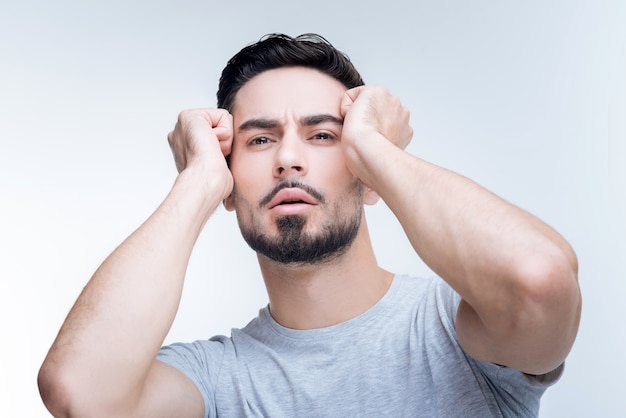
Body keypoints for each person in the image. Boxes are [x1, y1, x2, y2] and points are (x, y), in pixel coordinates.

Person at [38, 33, 582, 417]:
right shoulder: (219, 380)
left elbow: (540, 280)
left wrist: (373, 147)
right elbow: (79, 393)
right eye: (259, 139)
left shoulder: (457, 326)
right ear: (229, 186)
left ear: (371, 178)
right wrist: (197, 180)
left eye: (322, 136)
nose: (288, 159)